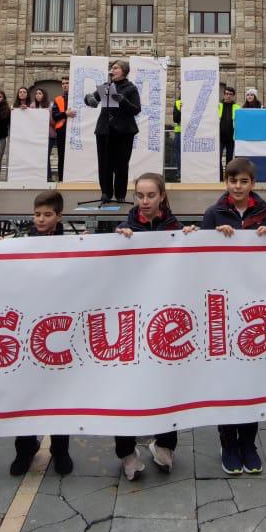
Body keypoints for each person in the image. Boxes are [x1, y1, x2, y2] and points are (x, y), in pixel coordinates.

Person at [197, 158, 266, 474]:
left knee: (252, 379)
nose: (237, 186)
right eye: (232, 181)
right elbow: (199, 258)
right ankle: (228, 441)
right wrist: (212, 236)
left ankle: (248, 441)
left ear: (252, 184)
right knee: (226, 379)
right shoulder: (213, 214)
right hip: (224, 308)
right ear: (226, 183)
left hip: (255, 309)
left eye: (243, 181)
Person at [113, 173, 182, 479]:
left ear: (162, 197)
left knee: (167, 384)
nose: (145, 201)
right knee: (125, 386)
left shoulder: (176, 229)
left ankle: (165, 446)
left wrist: (192, 240)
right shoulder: (123, 230)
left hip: (165, 321)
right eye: (140, 195)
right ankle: (126, 453)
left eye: (151, 195)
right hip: (131, 321)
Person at [12, 191, 73, 476]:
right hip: (28, 326)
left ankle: (61, 449)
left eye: (47, 215)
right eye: (37, 214)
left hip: (60, 328)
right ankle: (25, 449)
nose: (41, 219)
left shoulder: (74, 242)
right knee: (27, 391)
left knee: (60, 391)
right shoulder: (22, 243)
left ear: (59, 216)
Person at [84, 60, 142, 204]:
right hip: (105, 130)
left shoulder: (131, 88)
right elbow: (92, 99)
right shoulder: (107, 86)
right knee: (105, 163)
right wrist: (88, 98)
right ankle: (106, 193)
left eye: (116, 68)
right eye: (112, 68)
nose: (113, 70)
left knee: (121, 163)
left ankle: (120, 194)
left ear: (124, 70)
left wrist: (122, 100)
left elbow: (136, 109)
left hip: (124, 131)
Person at [50, 78, 75, 183]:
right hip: (62, 130)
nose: (65, 85)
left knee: (74, 155)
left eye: (67, 83)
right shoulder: (58, 99)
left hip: (75, 129)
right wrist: (65, 114)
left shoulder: (76, 98)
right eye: (63, 83)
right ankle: (61, 179)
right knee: (61, 155)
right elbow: (55, 116)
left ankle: (73, 178)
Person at [217, 86, 239, 178]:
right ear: (224, 94)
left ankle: (228, 178)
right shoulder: (218, 105)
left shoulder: (237, 107)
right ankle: (220, 178)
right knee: (217, 158)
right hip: (219, 137)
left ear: (233, 96)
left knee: (230, 160)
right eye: (226, 94)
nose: (228, 96)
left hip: (231, 138)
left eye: (230, 94)